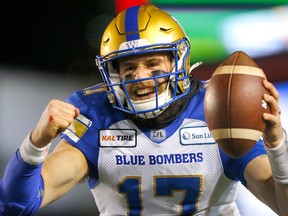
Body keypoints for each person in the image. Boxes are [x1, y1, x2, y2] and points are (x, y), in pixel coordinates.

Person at [0, 4, 287, 216]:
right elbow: (16, 205)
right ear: (113, 74)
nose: (140, 78)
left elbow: (281, 204)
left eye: (152, 64)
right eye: (128, 68)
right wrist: (36, 143)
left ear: (178, 62)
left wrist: (277, 146)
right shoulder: (96, 118)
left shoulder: (217, 110)